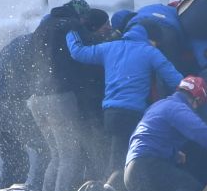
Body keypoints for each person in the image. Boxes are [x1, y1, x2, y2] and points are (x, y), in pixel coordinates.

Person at [67, 20, 183, 176]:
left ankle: (109, 190)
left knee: (115, 157)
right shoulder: (149, 52)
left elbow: (78, 52)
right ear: (149, 38)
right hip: (133, 114)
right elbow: (176, 81)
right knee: (128, 161)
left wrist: (70, 31)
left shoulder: (110, 48)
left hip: (110, 114)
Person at [123, 77, 207, 191]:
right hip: (147, 167)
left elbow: (148, 136)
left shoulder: (158, 105)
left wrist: (172, 153)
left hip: (131, 170)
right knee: (191, 188)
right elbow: (199, 130)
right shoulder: (177, 108)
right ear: (196, 99)